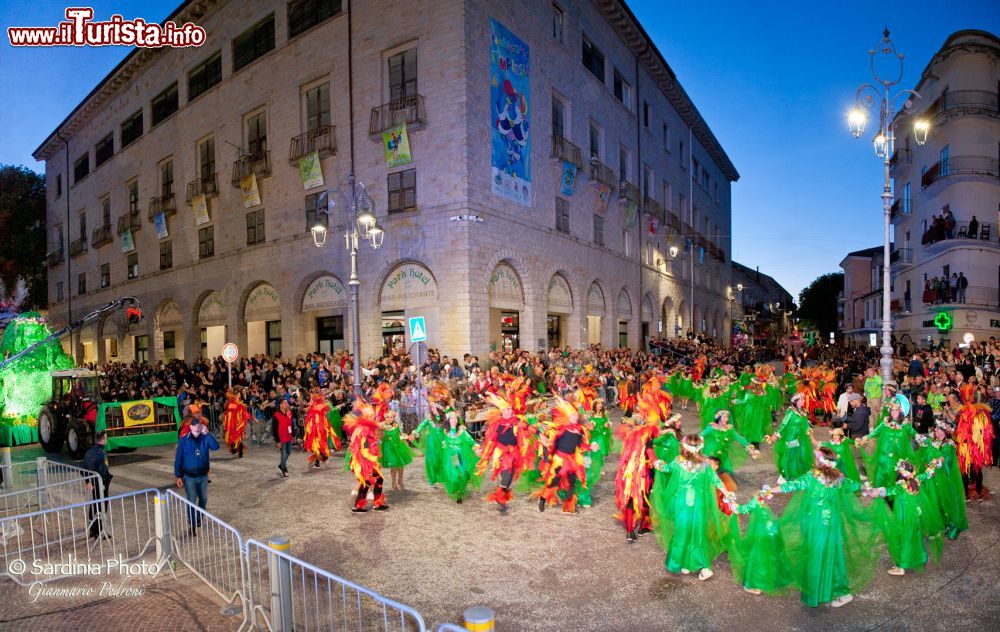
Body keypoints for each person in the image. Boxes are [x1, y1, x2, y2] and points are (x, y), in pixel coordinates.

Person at [174, 416, 219, 536]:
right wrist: (178, 476)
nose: (197, 427)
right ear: (190, 427)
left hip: (203, 476)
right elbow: (178, 459)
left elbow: (216, 447)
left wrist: (208, 434)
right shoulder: (183, 440)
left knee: (203, 500)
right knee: (192, 501)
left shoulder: (205, 438)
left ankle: (198, 519)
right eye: (194, 425)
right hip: (189, 477)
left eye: (199, 425)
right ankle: (192, 525)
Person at [82, 431, 112, 540]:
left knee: (94, 505)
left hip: (95, 483)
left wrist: (88, 482)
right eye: (106, 438)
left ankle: (93, 530)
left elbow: (83, 468)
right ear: (103, 439)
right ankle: (99, 531)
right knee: (101, 507)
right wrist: (89, 481)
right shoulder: (100, 453)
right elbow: (91, 468)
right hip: (100, 483)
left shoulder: (89, 452)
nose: (107, 440)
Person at [274, 399, 294, 477]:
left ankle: (281, 465)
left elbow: (291, 424)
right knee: (283, 453)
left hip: (288, 436)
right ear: (280, 405)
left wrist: (293, 435)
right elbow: (274, 429)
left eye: (287, 403)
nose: (287, 404)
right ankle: (284, 469)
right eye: (285, 403)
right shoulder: (276, 415)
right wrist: (278, 441)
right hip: (281, 438)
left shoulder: (289, 413)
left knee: (289, 452)